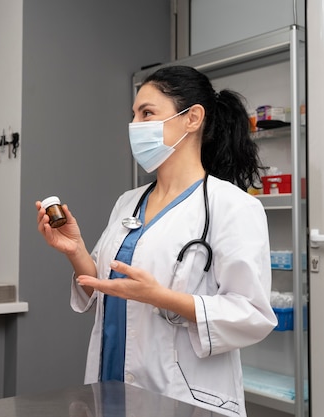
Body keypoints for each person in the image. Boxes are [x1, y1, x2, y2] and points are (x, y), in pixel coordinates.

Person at [36, 65, 277, 416]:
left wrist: (161, 298)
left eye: (147, 113)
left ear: (192, 118)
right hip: (111, 385)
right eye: (133, 115)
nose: (135, 125)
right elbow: (103, 290)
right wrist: (75, 251)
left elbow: (252, 313)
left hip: (184, 396)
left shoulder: (233, 206)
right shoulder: (129, 201)